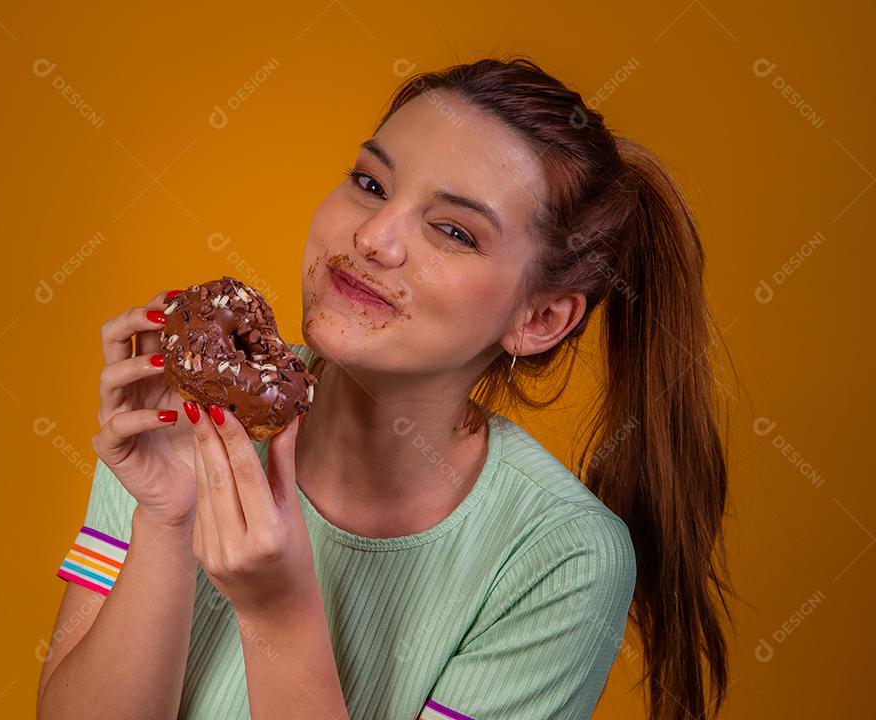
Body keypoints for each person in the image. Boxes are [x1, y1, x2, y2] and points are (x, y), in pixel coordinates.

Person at [37, 55, 732, 720]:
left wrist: (278, 613)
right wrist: (165, 521)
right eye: (371, 183)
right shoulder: (192, 409)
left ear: (540, 318)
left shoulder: (561, 558)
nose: (373, 236)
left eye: (453, 230)